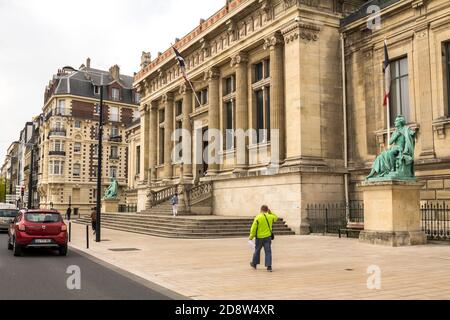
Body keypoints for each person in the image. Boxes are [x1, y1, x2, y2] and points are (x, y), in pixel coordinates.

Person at [249, 205, 278, 272]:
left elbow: (253, 228)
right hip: (268, 237)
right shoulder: (270, 217)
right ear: (267, 210)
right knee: (268, 252)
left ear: (261, 210)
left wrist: (251, 237)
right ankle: (269, 266)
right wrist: (270, 212)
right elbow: (276, 218)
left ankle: (254, 264)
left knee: (257, 250)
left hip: (259, 238)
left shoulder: (258, 217)